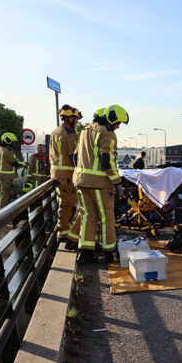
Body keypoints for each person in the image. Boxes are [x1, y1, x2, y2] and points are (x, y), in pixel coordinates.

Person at [70, 105, 128, 264]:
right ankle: (108, 252)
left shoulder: (84, 131)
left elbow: (75, 156)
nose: (118, 127)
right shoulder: (108, 134)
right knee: (106, 217)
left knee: (88, 216)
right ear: (111, 120)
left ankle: (85, 254)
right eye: (118, 123)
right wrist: (117, 183)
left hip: (81, 181)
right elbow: (107, 161)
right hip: (100, 184)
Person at [50, 105, 81, 248]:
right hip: (67, 175)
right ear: (68, 118)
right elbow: (74, 156)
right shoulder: (68, 134)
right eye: (76, 119)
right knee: (68, 205)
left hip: (59, 174)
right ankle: (63, 234)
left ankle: (63, 232)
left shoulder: (55, 132)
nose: (77, 122)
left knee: (64, 204)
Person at [0, 132, 25, 209]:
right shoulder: (8, 151)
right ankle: (1, 217)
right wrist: (25, 164)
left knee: (1, 196)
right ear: (8, 141)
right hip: (6, 178)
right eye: (13, 142)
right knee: (5, 197)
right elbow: (15, 163)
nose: (14, 144)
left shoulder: (0, 149)